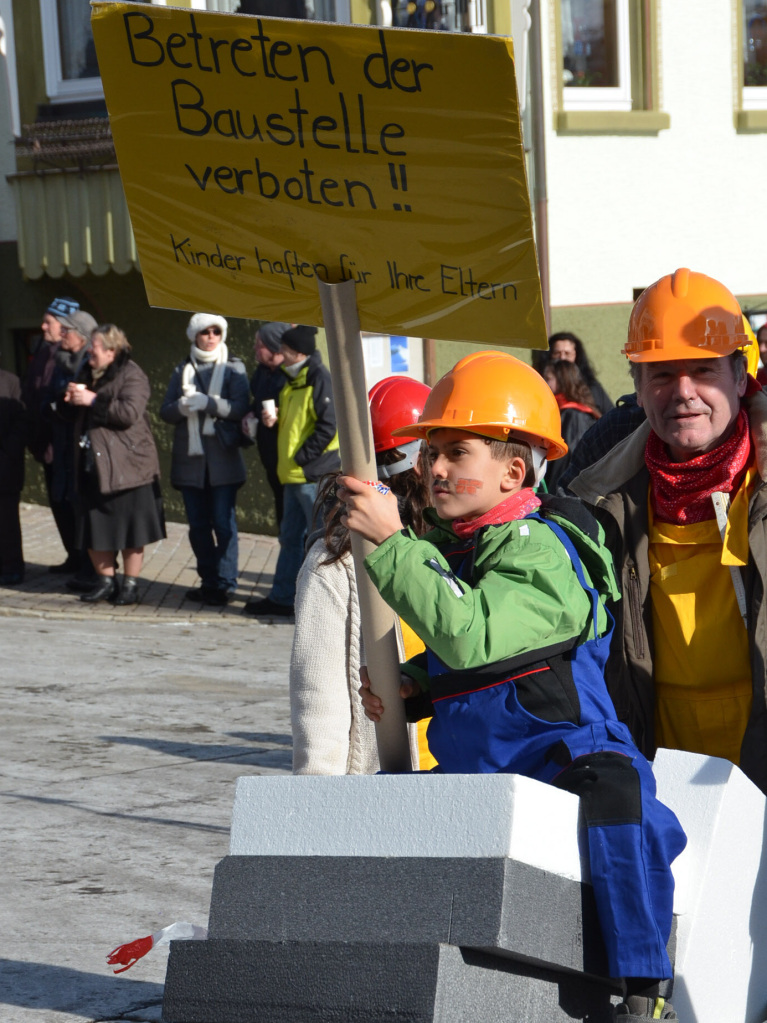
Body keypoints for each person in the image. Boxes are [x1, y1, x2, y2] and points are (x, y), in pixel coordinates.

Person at [341, 351, 686, 1022]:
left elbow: (474, 633)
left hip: (563, 753)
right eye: (430, 451)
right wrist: (409, 687)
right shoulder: (456, 550)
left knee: (621, 804)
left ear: (513, 470)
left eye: (455, 451)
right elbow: (466, 663)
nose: (434, 468)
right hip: (479, 763)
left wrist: (392, 546)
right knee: (381, 810)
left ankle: (640, 984)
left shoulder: (541, 547)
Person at [568, 268, 767, 797]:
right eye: (660, 374)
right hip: (659, 761)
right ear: (636, 385)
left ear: (740, 377)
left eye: (703, 371)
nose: (683, 393)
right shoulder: (597, 492)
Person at [290, 375, 435, 775]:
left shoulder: (460, 545)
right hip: (382, 788)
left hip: (459, 779)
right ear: (419, 460)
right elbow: (318, 705)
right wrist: (319, 803)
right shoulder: (336, 566)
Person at [63, 324, 165, 605]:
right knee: (94, 527)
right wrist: (70, 400)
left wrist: (93, 399)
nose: (89, 353)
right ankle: (106, 582)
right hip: (91, 465)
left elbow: (128, 413)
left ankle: (130, 586)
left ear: (111, 350)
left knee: (132, 530)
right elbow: (75, 415)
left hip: (127, 467)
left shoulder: (132, 374)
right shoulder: (88, 372)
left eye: (93, 348)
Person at [245, 325, 340, 618]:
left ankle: (317, 605)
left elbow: (329, 425)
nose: (279, 354)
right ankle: (283, 597)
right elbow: (298, 423)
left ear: (297, 352)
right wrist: (272, 421)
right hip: (293, 477)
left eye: (284, 350)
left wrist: (302, 458)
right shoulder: (292, 382)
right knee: (290, 539)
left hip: (312, 477)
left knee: (317, 543)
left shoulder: (318, 379)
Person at [160, 313, 250, 606]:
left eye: (216, 331)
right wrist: (183, 407)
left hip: (223, 461)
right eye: (205, 332)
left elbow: (240, 408)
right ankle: (208, 581)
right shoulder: (182, 369)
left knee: (224, 525)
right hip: (191, 464)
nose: (211, 337)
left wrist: (209, 403)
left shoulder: (234, 366)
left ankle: (226, 583)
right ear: (194, 336)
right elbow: (165, 412)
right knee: (198, 526)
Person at [22, 297, 82, 573]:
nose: (43, 327)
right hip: (45, 445)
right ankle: (73, 555)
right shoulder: (42, 353)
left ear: (66, 326)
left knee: (72, 503)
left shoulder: (72, 358)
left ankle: (85, 560)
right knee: (57, 503)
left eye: (50, 322)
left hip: (65, 445)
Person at [48, 309, 99, 592]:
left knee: (87, 509)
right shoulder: (62, 362)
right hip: (65, 444)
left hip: (86, 446)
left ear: (81, 335)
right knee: (72, 505)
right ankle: (82, 564)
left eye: (66, 331)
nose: (61, 336)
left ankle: (94, 570)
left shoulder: (88, 364)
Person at [243, 321, 290, 526]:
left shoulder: (291, 375)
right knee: (282, 514)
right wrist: (250, 414)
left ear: (274, 348)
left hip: (290, 460)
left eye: (259, 345)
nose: (255, 349)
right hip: (270, 456)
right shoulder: (261, 373)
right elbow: (257, 400)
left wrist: (283, 415)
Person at [543, 359, 601, 492]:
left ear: (563, 380)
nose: (544, 383)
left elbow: (565, 461)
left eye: (548, 378)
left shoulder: (574, 416)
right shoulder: (568, 412)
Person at [0, 367, 26, 585]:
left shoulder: (11, 382)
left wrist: (8, 453)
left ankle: (11, 566)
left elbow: (21, 421)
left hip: (5, 464)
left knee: (6, 520)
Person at [548, 330, 614, 414]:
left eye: (567, 353)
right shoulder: (547, 386)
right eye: (557, 353)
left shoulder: (591, 387)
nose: (562, 358)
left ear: (576, 355)